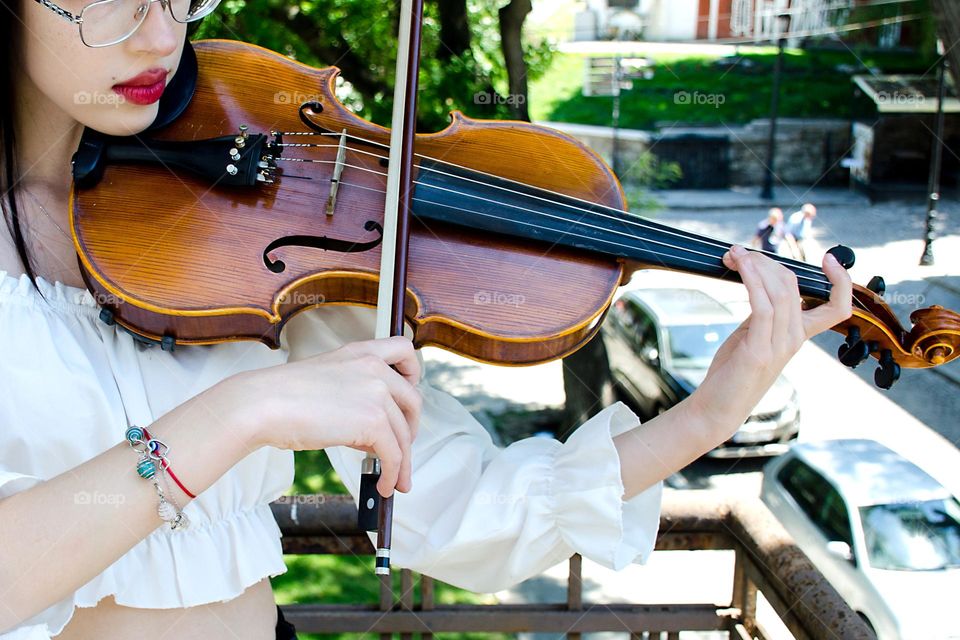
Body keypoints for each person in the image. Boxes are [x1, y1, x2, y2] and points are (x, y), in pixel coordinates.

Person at [0, 2, 853, 639]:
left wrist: (708, 414)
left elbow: (454, 502)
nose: (160, 36)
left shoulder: (240, 218)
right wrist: (239, 415)